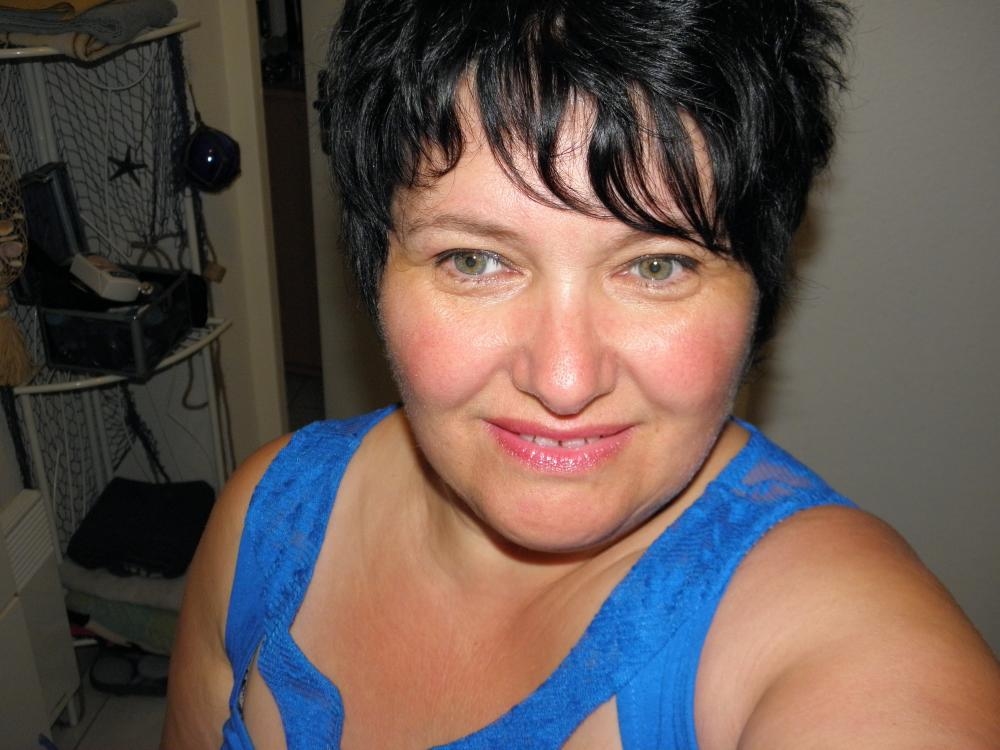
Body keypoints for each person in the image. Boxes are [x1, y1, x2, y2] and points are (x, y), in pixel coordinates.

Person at [161, 1, 1000, 747]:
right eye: (475, 260)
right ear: (374, 271)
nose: (564, 381)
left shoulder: (831, 639)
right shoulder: (261, 523)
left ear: (761, 292)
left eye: (657, 266)